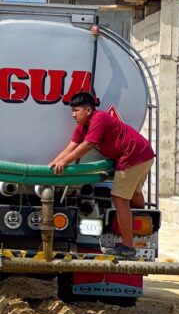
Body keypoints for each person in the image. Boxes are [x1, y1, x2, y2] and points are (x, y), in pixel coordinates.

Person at [49, 91, 154, 258]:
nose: (73, 115)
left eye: (76, 110)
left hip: (133, 157)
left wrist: (64, 162)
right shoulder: (82, 127)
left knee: (120, 199)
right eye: (72, 111)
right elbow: (71, 146)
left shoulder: (99, 119)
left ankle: (128, 246)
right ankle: (138, 222)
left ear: (88, 110)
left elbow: (87, 145)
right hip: (143, 154)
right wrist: (54, 163)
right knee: (134, 193)